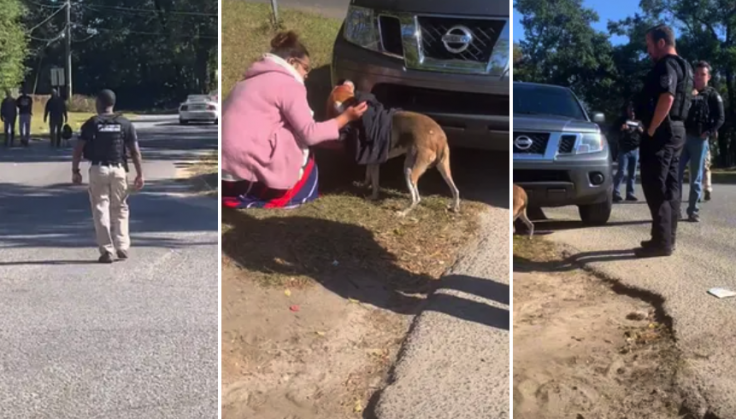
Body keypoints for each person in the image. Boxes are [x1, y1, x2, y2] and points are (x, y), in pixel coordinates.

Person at [221, 31, 368, 209]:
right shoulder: (289, 84)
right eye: (306, 68)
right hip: (247, 172)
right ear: (292, 62)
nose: (307, 75)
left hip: (225, 170)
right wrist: (346, 117)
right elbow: (310, 134)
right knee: (303, 144)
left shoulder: (245, 82)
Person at [635, 24, 694, 258]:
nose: (648, 51)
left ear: (661, 43)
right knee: (671, 186)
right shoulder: (686, 66)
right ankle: (666, 239)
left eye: (649, 45)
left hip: (662, 131)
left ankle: (662, 242)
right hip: (678, 130)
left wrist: (651, 129)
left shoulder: (667, 65)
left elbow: (667, 97)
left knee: (655, 185)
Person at [72, 89, 144, 263]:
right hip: (119, 170)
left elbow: (79, 149)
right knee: (120, 208)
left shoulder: (92, 123)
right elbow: (135, 152)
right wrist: (140, 174)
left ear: (98, 103)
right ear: (113, 104)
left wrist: (75, 171)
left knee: (100, 209)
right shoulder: (125, 124)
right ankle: (122, 245)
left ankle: (107, 250)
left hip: (98, 169)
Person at [678, 61, 723, 221]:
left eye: (702, 74)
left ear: (708, 77)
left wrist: (709, 132)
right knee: (675, 175)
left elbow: (720, 118)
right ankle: (675, 210)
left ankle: (693, 210)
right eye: (696, 74)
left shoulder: (712, 95)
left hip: (699, 140)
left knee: (695, 178)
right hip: (683, 139)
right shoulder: (687, 92)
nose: (698, 77)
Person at [613, 102, 643, 202]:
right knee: (621, 171)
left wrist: (640, 130)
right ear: (627, 110)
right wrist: (622, 129)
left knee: (632, 173)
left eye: (634, 110)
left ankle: (630, 193)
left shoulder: (639, 122)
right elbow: (614, 132)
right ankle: (615, 192)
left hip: (635, 149)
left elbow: (645, 134)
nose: (632, 112)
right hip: (624, 150)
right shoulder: (622, 120)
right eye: (630, 110)